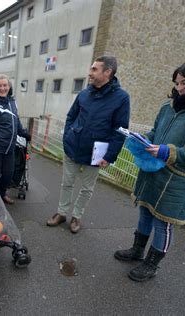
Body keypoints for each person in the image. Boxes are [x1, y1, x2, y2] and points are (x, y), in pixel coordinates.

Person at [114, 59, 185, 282]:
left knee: (163, 223)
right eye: (177, 83)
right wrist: (142, 140)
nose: (180, 88)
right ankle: (137, 250)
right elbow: (156, 132)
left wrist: (171, 153)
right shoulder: (168, 106)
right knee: (145, 212)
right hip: (151, 172)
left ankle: (152, 264)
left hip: (178, 180)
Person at [47, 55, 130, 233]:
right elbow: (71, 116)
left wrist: (110, 156)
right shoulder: (84, 93)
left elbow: (120, 130)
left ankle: (76, 216)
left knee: (86, 188)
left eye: (94, 69)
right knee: (66, 183)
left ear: (107, 72)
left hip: (96, 152)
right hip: (73, 146)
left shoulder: (121, 98)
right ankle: (61, 213)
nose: (90, 73)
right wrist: (67, 136)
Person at [0, 74, 30, 205]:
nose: (2, 88)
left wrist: (24, 133)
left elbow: (16, 122)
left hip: (10, 149)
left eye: (5, 85)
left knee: (8, 175)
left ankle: (1, 194)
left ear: (9, 87)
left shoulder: (12, 103)